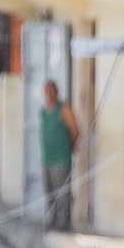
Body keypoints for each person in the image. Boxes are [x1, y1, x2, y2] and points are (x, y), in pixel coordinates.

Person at [40, 80, 81, 231]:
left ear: (56, 92)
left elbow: (75, 131)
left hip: (61, 158)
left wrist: (70, 147)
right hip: (48, 158)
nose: (49, 94)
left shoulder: (64, 109)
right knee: (49, 191)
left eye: (52, 90)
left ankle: (63, 224)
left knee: (62, 192)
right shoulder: (44, 111)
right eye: (46, 91)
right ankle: (52, 221)